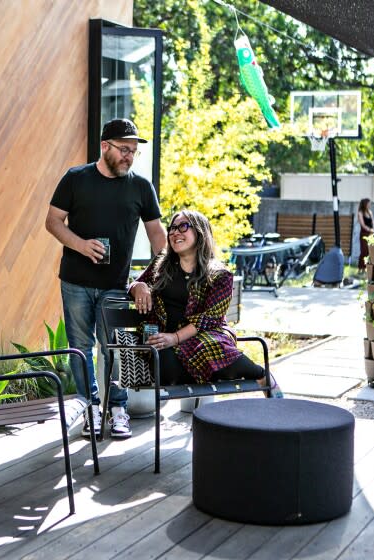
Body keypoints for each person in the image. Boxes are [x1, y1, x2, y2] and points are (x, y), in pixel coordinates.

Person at [46, 118, 167, 439]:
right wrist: (81, 245)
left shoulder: (140, 187)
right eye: (124, 149)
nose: (129, 156)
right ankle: (90, 410)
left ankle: (118, 409)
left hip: (115, 285)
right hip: (75, 282)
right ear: (105, 147)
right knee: (80, 348)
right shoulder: (76, 179)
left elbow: (158, 235)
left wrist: (154, 278)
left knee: (113, 347)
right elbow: (53, 221)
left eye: (134, 151)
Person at [128, 210, 283, 396]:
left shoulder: (219, 275)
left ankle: (260, 375)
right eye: (172, 228)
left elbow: (210, 319)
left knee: (209, 348)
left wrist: (175, 337)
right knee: (165, 363)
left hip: (204, 336)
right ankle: (212, 373)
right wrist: (139, 286)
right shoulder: (161, 266)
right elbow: (134, 284)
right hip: (164, 340)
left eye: (183, 226)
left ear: (200, 232)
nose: (175, 232)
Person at [357, 198, 374, 271]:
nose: (369, 205)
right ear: (365, 204)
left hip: (371, 234)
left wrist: (373, 228)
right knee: (364, 251)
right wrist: (369, 229)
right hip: (364, 234)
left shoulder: (370, 212)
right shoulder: (360, 213)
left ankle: (367, 268)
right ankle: (361, 268)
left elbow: (373, 222)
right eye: (368, 203)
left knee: (369, 251)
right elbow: (363, 224)